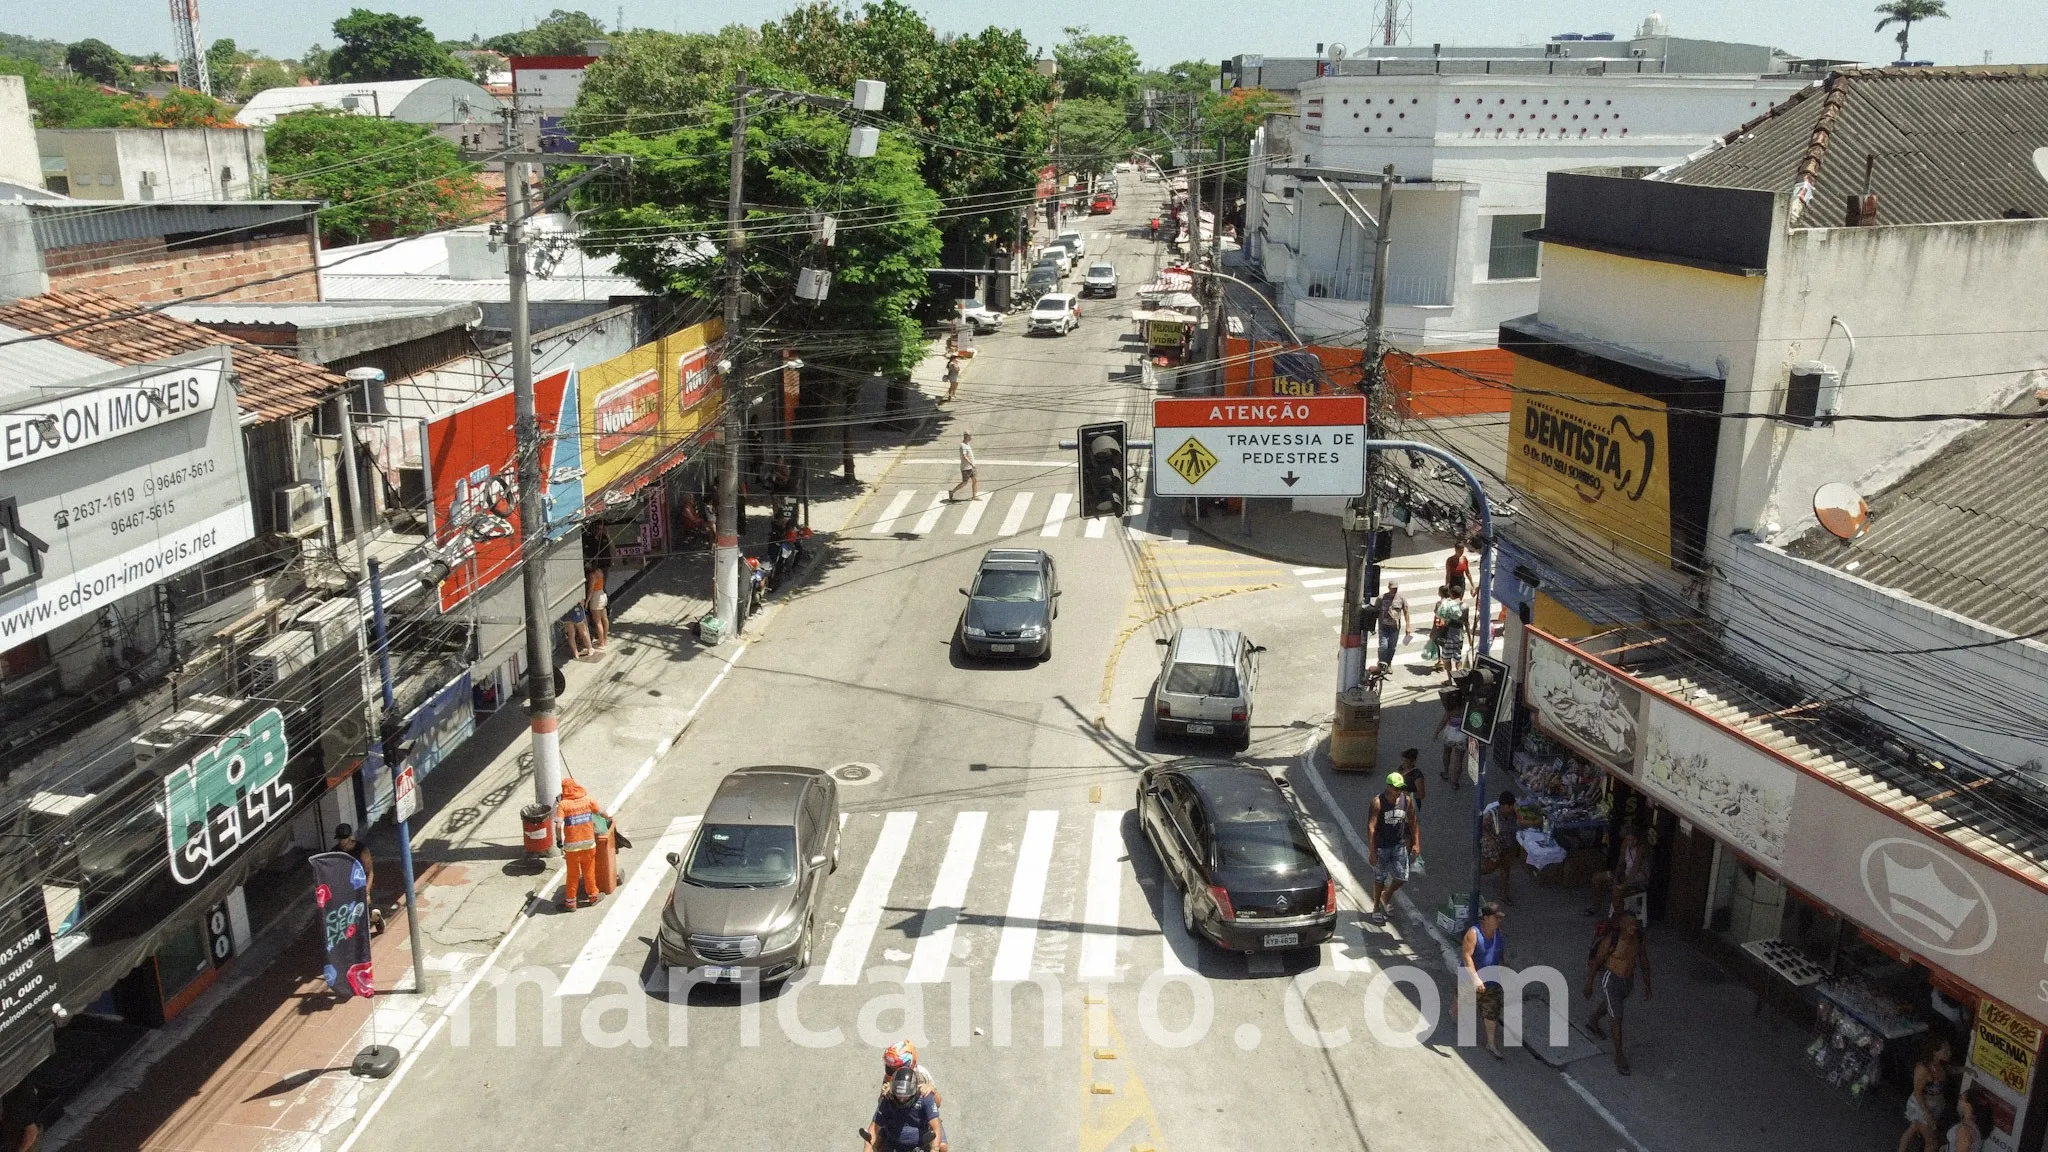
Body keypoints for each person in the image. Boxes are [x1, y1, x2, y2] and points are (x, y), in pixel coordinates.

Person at [1584, 908, 1653, 1075]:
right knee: (1617, 1018)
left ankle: (1593, 1020)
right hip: (1611, 980)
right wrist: (1589, 984)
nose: (1633, 928)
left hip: (1627, 981)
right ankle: (1619, 1056)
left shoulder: (1639, 938)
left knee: (1613, 1005)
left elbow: (1643, 960)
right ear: (1621, 925)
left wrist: (1647, 984)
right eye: (1629, 925)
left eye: (1635, 924)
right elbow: (1597, 962)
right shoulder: (1611, 941)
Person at [1365, 772, 1420, 926]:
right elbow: (1371, 827)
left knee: (1402, 876)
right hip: (1382, 846)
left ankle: (1386, 895)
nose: (1398, 792)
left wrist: (1416, 843)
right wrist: (1372, 850)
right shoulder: (1378, 802)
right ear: (1388, 787)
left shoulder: (1406, 801)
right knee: (1379, 878)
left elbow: (1414, 822)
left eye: (1400, 788)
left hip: (1399, 844)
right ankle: (1376, 907)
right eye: (1396, 788)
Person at [554, 779, 614, 911]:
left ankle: (570, 903)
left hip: (571, 848)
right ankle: (593, 896)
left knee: (572, 875)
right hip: (589, 845)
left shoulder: (563, 805)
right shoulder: (588, 800)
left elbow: (558, 826)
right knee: (588, 872)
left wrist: (559, 841)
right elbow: (602, 813)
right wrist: (609, 818)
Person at [1460, 901, 1509, 1059]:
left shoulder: (1498, 933)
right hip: (1471, 977)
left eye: (1500, 918)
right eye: (1496, 918)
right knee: (1462, 999)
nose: (1499, 920)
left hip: (1492, 981)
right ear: (1486, 918)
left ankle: (1491, 1044)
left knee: (1491, 1012)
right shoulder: (1473, 934)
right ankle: (1453, 1011)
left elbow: (1500, 953)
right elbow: (1467, 956)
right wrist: (1475, 978)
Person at [867, 1065, 946, 1152]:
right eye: (898, 1095)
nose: (901, 1099)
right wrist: (867, 1149)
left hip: (920, 1145)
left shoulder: (925, 1097)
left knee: (943, 1148)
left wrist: (934, 1149)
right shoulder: (888, 1098)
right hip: (893, 1142)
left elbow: (936, 1127)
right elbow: (874, 1128)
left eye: (905, 1096)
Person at [1899, 1038, 1954, 1152]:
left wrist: (1969, 1069)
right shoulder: (1923, 1069)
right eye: (1945, 1051)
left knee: (1913, 1129)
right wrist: (1927, 1114)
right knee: (1932, 1143)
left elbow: (1953, 1070)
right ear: (1935, 1052)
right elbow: (1918, 1093)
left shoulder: (1941, 1066)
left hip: (1933, 1106)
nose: (1949, 1054)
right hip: (1922, 1108)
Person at [332, 823, 385, 933]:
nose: (342, 841)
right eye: (340, 839)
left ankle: (376, 918)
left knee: (366, 914)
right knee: (351, 916)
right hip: (346, 888)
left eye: (344, 838)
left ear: (350, 837)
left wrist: (366, 892)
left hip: (361, 886)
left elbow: (370, 872)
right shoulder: (335, 851)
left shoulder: (361, 850)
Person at [1479, 790, 1520, 904]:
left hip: (1508, 846)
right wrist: (1490, 839)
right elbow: (1481, 827)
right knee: (1490, 868)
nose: (1511, 808)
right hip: (1495, 847)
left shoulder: (1513, 814)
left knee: (1506, 870)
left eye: (1511, 806)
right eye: (1508, 806)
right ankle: (1478, 872)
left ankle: (1504, 894)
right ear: (1502, 805)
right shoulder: (1491, 815)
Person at [1427, 585, 1469, 677]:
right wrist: (1470, 638)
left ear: (1451, 594)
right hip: (1459, 634)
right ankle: (1460, 678)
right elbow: (1466, 622)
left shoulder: (1447, 605)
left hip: (1448, 634)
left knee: (1447, 658)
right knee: (1458, 657)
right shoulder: (1465, 606)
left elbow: (1440, 618)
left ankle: (1449, 679)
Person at [1373, 584, 1410, 669]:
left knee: (1392, 647)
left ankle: (1388, 663)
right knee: (1383, 646)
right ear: (1389, 587)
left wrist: (1408, 626)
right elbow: (1375, 611)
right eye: (1393, 588)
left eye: (1396, 588)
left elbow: (1406, 612)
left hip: (1395, 627)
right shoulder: (1381, 598)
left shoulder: (1401, 598)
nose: (1394, 590)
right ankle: (1382, 663)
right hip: (1383, 626)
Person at [1434, 690, 1466, 791]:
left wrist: (1436, 732)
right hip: (1462, 735)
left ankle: (1446, 772)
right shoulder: (1465, 708)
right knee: (1459, 759)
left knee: (1446, 753)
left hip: (1449, 734)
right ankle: (1455, 782)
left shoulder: (1450, 710)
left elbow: (1443, 721)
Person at [947, 432, 978, 503]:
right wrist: (970, 463)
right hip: (966, 468)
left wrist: (972, 464)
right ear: (966, 436)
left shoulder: (967, 444)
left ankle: (974, 496)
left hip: (971, 467)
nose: (971, 437)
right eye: (970, 436)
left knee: (975, 480)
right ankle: (952, 492)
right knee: (964, 483)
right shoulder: (963, 445)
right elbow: (964, 456)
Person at [585, 566, 609, 650]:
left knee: (598, 622)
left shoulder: (592, 575)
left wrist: (587, 601)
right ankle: (605, 639)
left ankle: (601, 642)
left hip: (596, 597)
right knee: (605, 619)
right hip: (602, 594)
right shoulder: (599, 571)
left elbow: (591, 589)